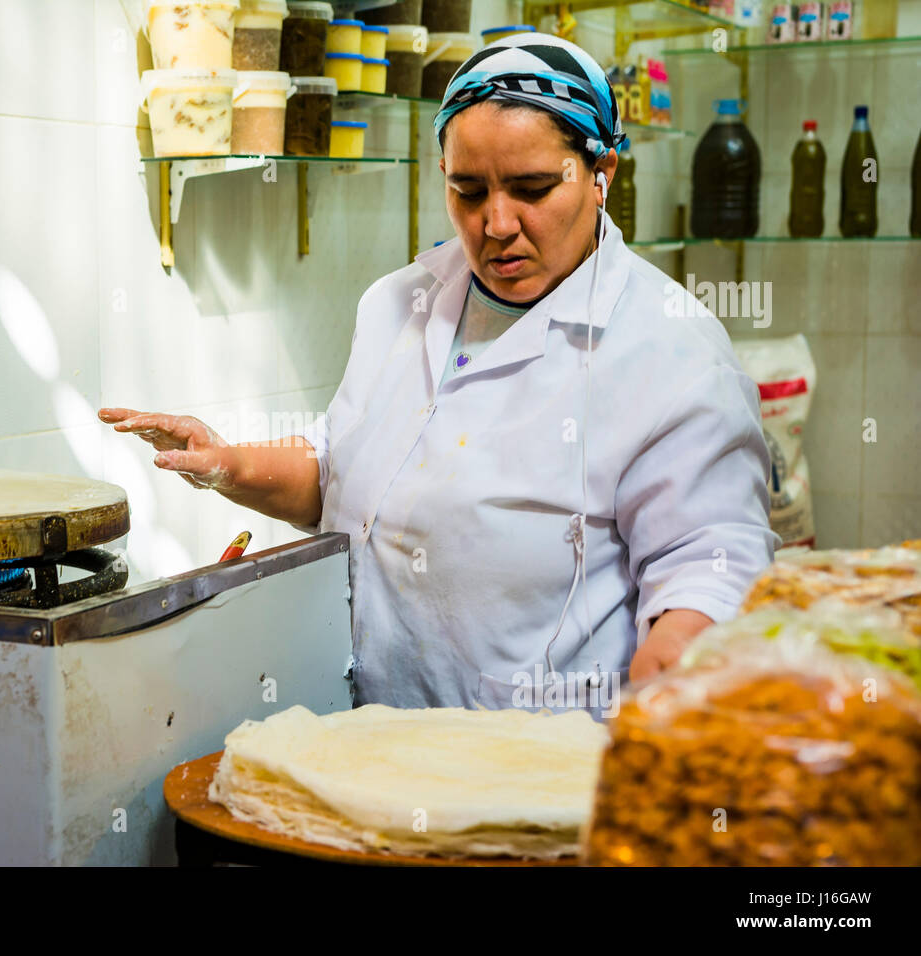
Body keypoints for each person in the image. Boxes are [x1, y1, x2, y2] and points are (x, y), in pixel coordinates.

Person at [100, 34, 779, 712]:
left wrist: (682, 651)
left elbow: (708, 563)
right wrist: (231, 463)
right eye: (468, 190)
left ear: (603, 175)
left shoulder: (670, 350)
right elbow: (345, 470)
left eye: (532, 188)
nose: (496, 223)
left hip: (548, 771)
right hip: (377, 743)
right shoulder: (400, 303)